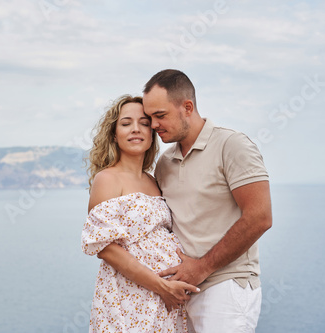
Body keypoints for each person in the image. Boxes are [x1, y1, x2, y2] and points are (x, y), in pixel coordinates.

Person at [98, 69, 273, 333]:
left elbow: (260, 217)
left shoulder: (232, 145)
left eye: (160, 116)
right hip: (179, 293)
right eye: (151, 118)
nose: (153, 125)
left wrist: (202, 268)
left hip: (224, 285)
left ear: (187, 107)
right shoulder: (165, 164)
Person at [81, 95, 199, 332]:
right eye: (126, 123)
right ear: (114, 134)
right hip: (130, 297)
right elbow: (106, 249)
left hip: (166, 299)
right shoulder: (108, 179)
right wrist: (161, 287)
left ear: (153, 132)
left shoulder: (153, 180)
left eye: (144, 123)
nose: (136, 129)